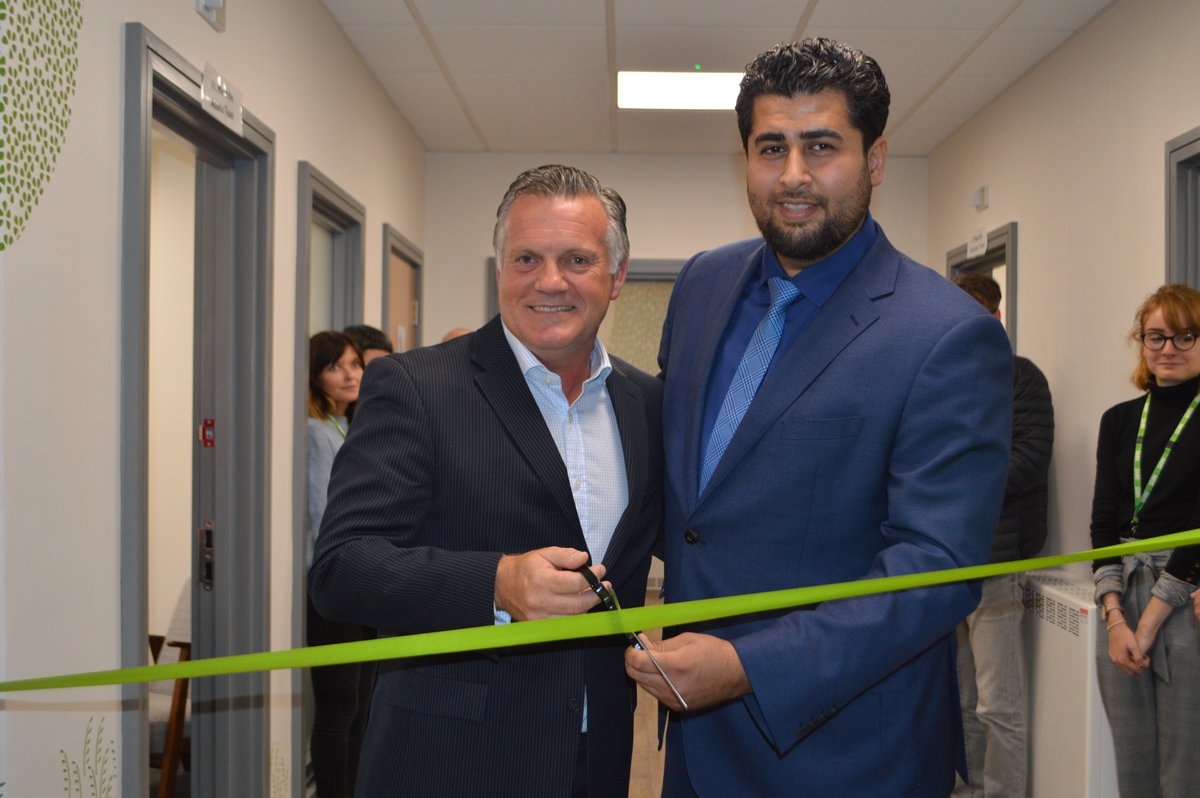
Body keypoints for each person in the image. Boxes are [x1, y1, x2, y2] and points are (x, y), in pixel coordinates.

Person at [625, 38, 1012, 797]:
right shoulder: (704, 283)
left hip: (846, 752)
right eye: (772, 147)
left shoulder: (945, 335)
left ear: (875, 159)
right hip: (698, 752)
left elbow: (935, 572)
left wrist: (747, 666)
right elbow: (694, 494)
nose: (793, 175)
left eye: (821, 146)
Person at [309, 164, 663, 797]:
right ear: (501, 268)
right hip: (452, 761)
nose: (549, 281)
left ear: (617, 276)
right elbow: (341, 570)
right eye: (526, 257)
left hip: (600, 755)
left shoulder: (647, 403)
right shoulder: (417, 388)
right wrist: (496, 584)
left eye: (577, 259)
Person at [1090, 283, 1200, 798]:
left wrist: (1151, 619)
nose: (1168, 349)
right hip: (1120, 600)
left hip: (1183, 596)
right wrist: (1114, 617)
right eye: (1155, 337)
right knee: (1132, 765)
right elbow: (1102, 524)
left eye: (1185, 336)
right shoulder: (1118, 421)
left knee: (1184, 768)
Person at [951, 274, 1054, 798]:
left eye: (974, 314)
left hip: (996, 562)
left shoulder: (1022, 380)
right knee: (962, 700)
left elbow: (1031, 462)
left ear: (995, 319)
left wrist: (959, 483)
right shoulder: (942, 379)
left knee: (998, 707)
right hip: (946, 562)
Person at [304, 331, 374, 798]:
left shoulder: (346, 425)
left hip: (365, 579)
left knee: (362, 706)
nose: (351, 374)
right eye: (336, 366)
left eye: (355, 364)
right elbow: (322, 512)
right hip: (335, 582)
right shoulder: (315, 432)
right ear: (314, 376)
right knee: (338, 710)